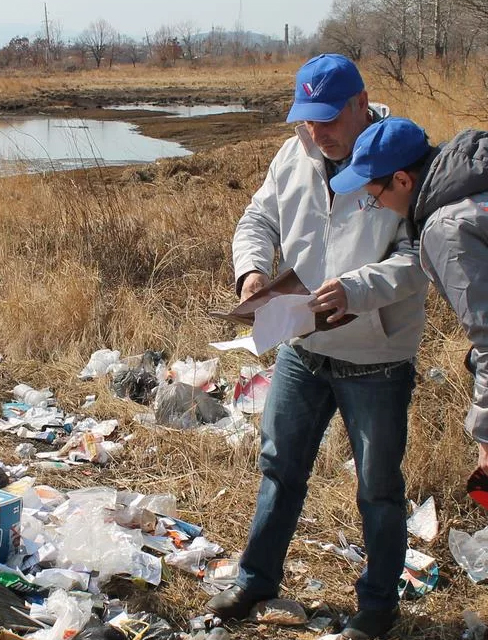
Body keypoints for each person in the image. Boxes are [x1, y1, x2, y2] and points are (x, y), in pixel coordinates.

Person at [207, 54, 428, 639]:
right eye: (306, 119)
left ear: (361, 103)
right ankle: (256, 580)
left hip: (376, 359)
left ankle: (377, 607)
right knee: (279, 466)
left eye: (328, 118)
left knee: (378, 488)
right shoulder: (295, 154)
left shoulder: (401, 157)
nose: (316, 132)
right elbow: (258, 219)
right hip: (302, 348)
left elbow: (418, 258)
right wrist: (252, 273)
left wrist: (358, 289)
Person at [329, 117, 488, 474]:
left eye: (375, 198)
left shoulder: (447, 229)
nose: (379, 207)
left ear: (402, 179)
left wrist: (486, 438)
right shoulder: (474, 185)